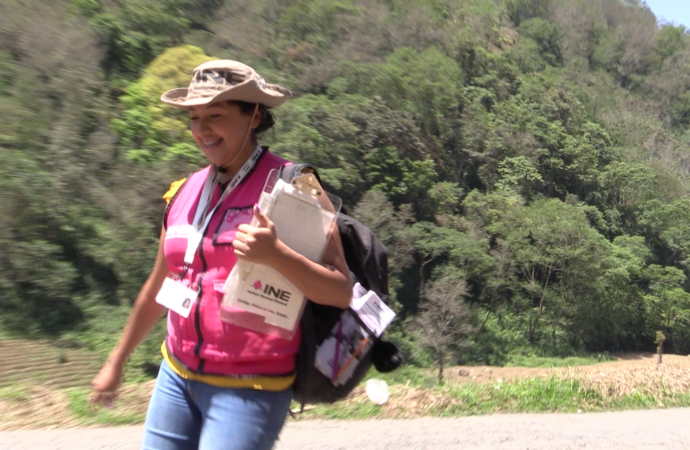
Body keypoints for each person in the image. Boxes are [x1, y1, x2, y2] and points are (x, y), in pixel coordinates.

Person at [90, 60, 352, 450]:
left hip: (249, 387)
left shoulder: (295, 187)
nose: (202, 129)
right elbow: (160, 281)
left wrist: (276, 254)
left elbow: (341, 291)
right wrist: (117, 360)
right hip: (176, 376)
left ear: (255, 116)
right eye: (195, 118)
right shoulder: (183, 191)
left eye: (215, 115)